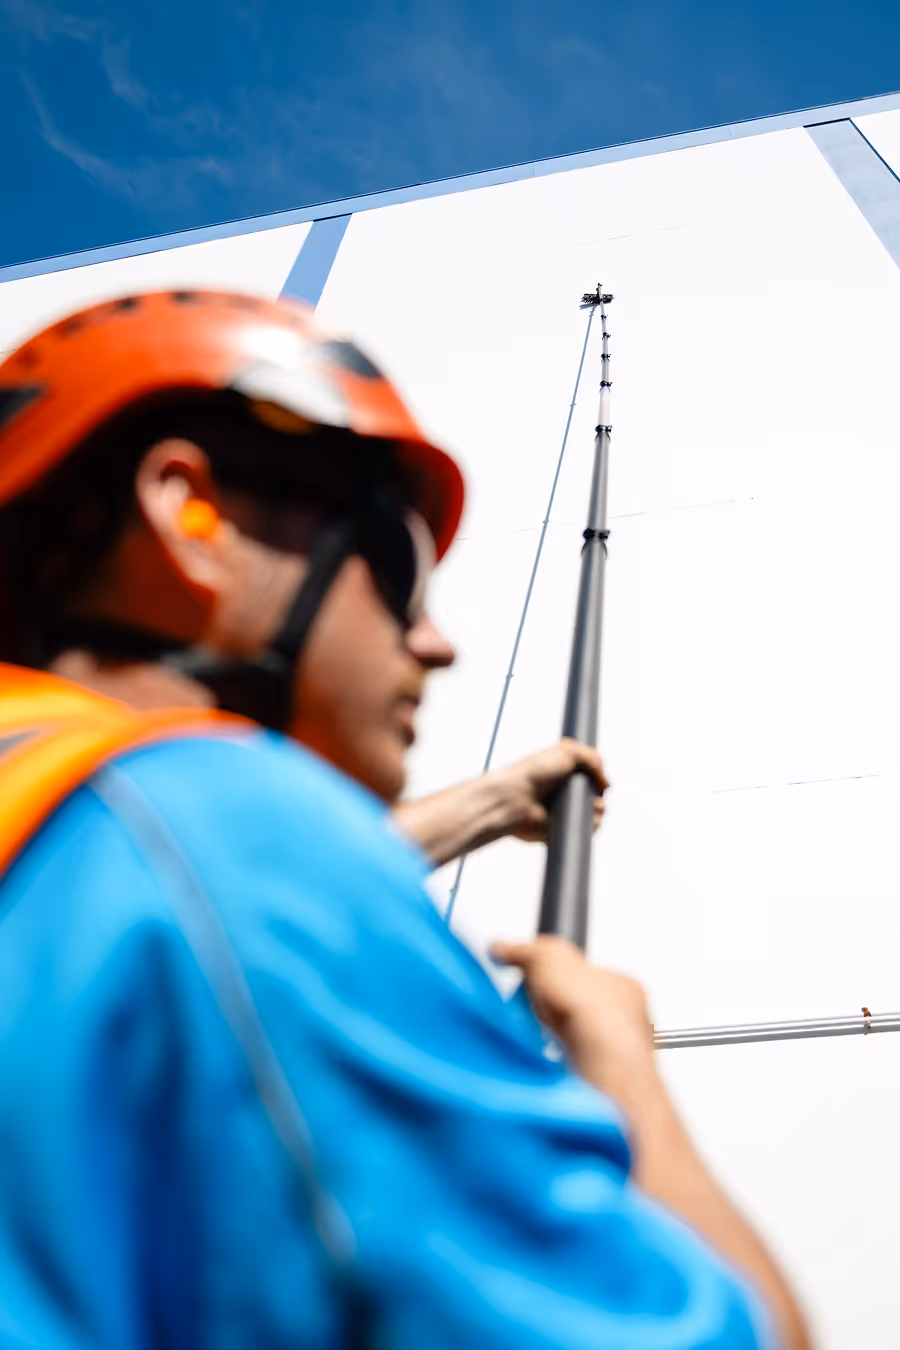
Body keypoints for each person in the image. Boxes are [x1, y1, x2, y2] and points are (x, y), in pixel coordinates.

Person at [0, 291, 809, 1349]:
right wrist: (622, 1066)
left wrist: (477, 806)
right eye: (399, 567)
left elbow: (146, 899)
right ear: (185, 516)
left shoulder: (73, 825)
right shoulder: (239, 833)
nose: (437, 643)